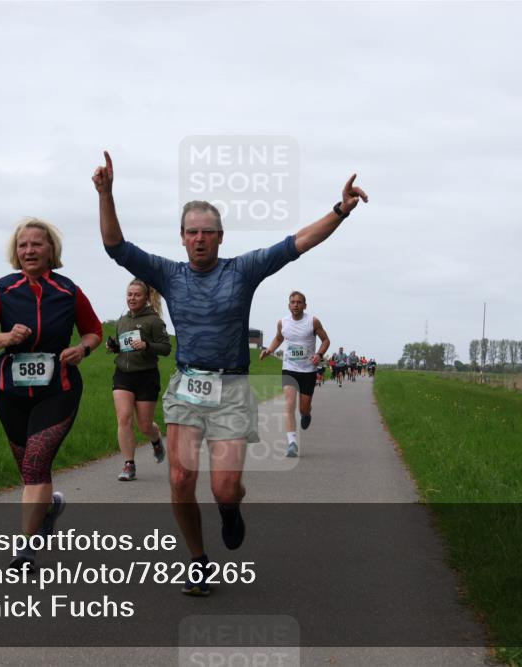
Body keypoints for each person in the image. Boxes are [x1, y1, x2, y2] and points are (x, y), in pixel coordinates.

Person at [94, 151, 367, 595]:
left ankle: (230, 508)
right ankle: (198, 561)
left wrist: (339, 210)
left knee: (224, 489)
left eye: (208, 232)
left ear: (221, 237)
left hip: (233, 387)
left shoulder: (243, 270)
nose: (199, 239)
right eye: (192, 232)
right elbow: (115, 248)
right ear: (181, 238)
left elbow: (299, 242)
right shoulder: (168, 272)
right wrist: (106, 194)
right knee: (181, 479)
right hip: (188, 385)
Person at [0, 218, 103, 571]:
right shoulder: (3, 288)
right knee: (29, 472)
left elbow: (93, 331)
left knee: (35, 465)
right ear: (16, 252)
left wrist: (82, 350)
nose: (29, 250)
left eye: (36, 244)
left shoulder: (68, 291)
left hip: (58, 390)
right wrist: (6, 338)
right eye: (22, 245)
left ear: (51, 251)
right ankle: (48, 509)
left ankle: (25, 551)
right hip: (11, 392)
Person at [107, 278, 171, 481]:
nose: (132, 298)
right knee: (124, 418)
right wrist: (114, 347)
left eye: (137, 295)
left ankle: (155, 439)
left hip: (146, 376)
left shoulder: (154, 321)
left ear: (146, 298)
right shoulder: (122, 320)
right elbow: (123, 345)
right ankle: (129, 465)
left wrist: (147, 345)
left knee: (144, 425)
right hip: (123, 374)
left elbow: (166, 348)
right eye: (129, 294)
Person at [259, 291, 330, 458]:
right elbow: (278, 338)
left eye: (299, 302)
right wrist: (269, 350)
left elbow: (326, 340)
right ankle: (292, 443)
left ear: (305, 305)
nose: (295, 304)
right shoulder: (283, 322)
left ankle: (307, 414)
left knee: (302, 408)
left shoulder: (313, 321)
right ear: (288, 305)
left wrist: (318, 355)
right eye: (292, 302)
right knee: (289, 404)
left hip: (308, 370)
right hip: (289, 368)